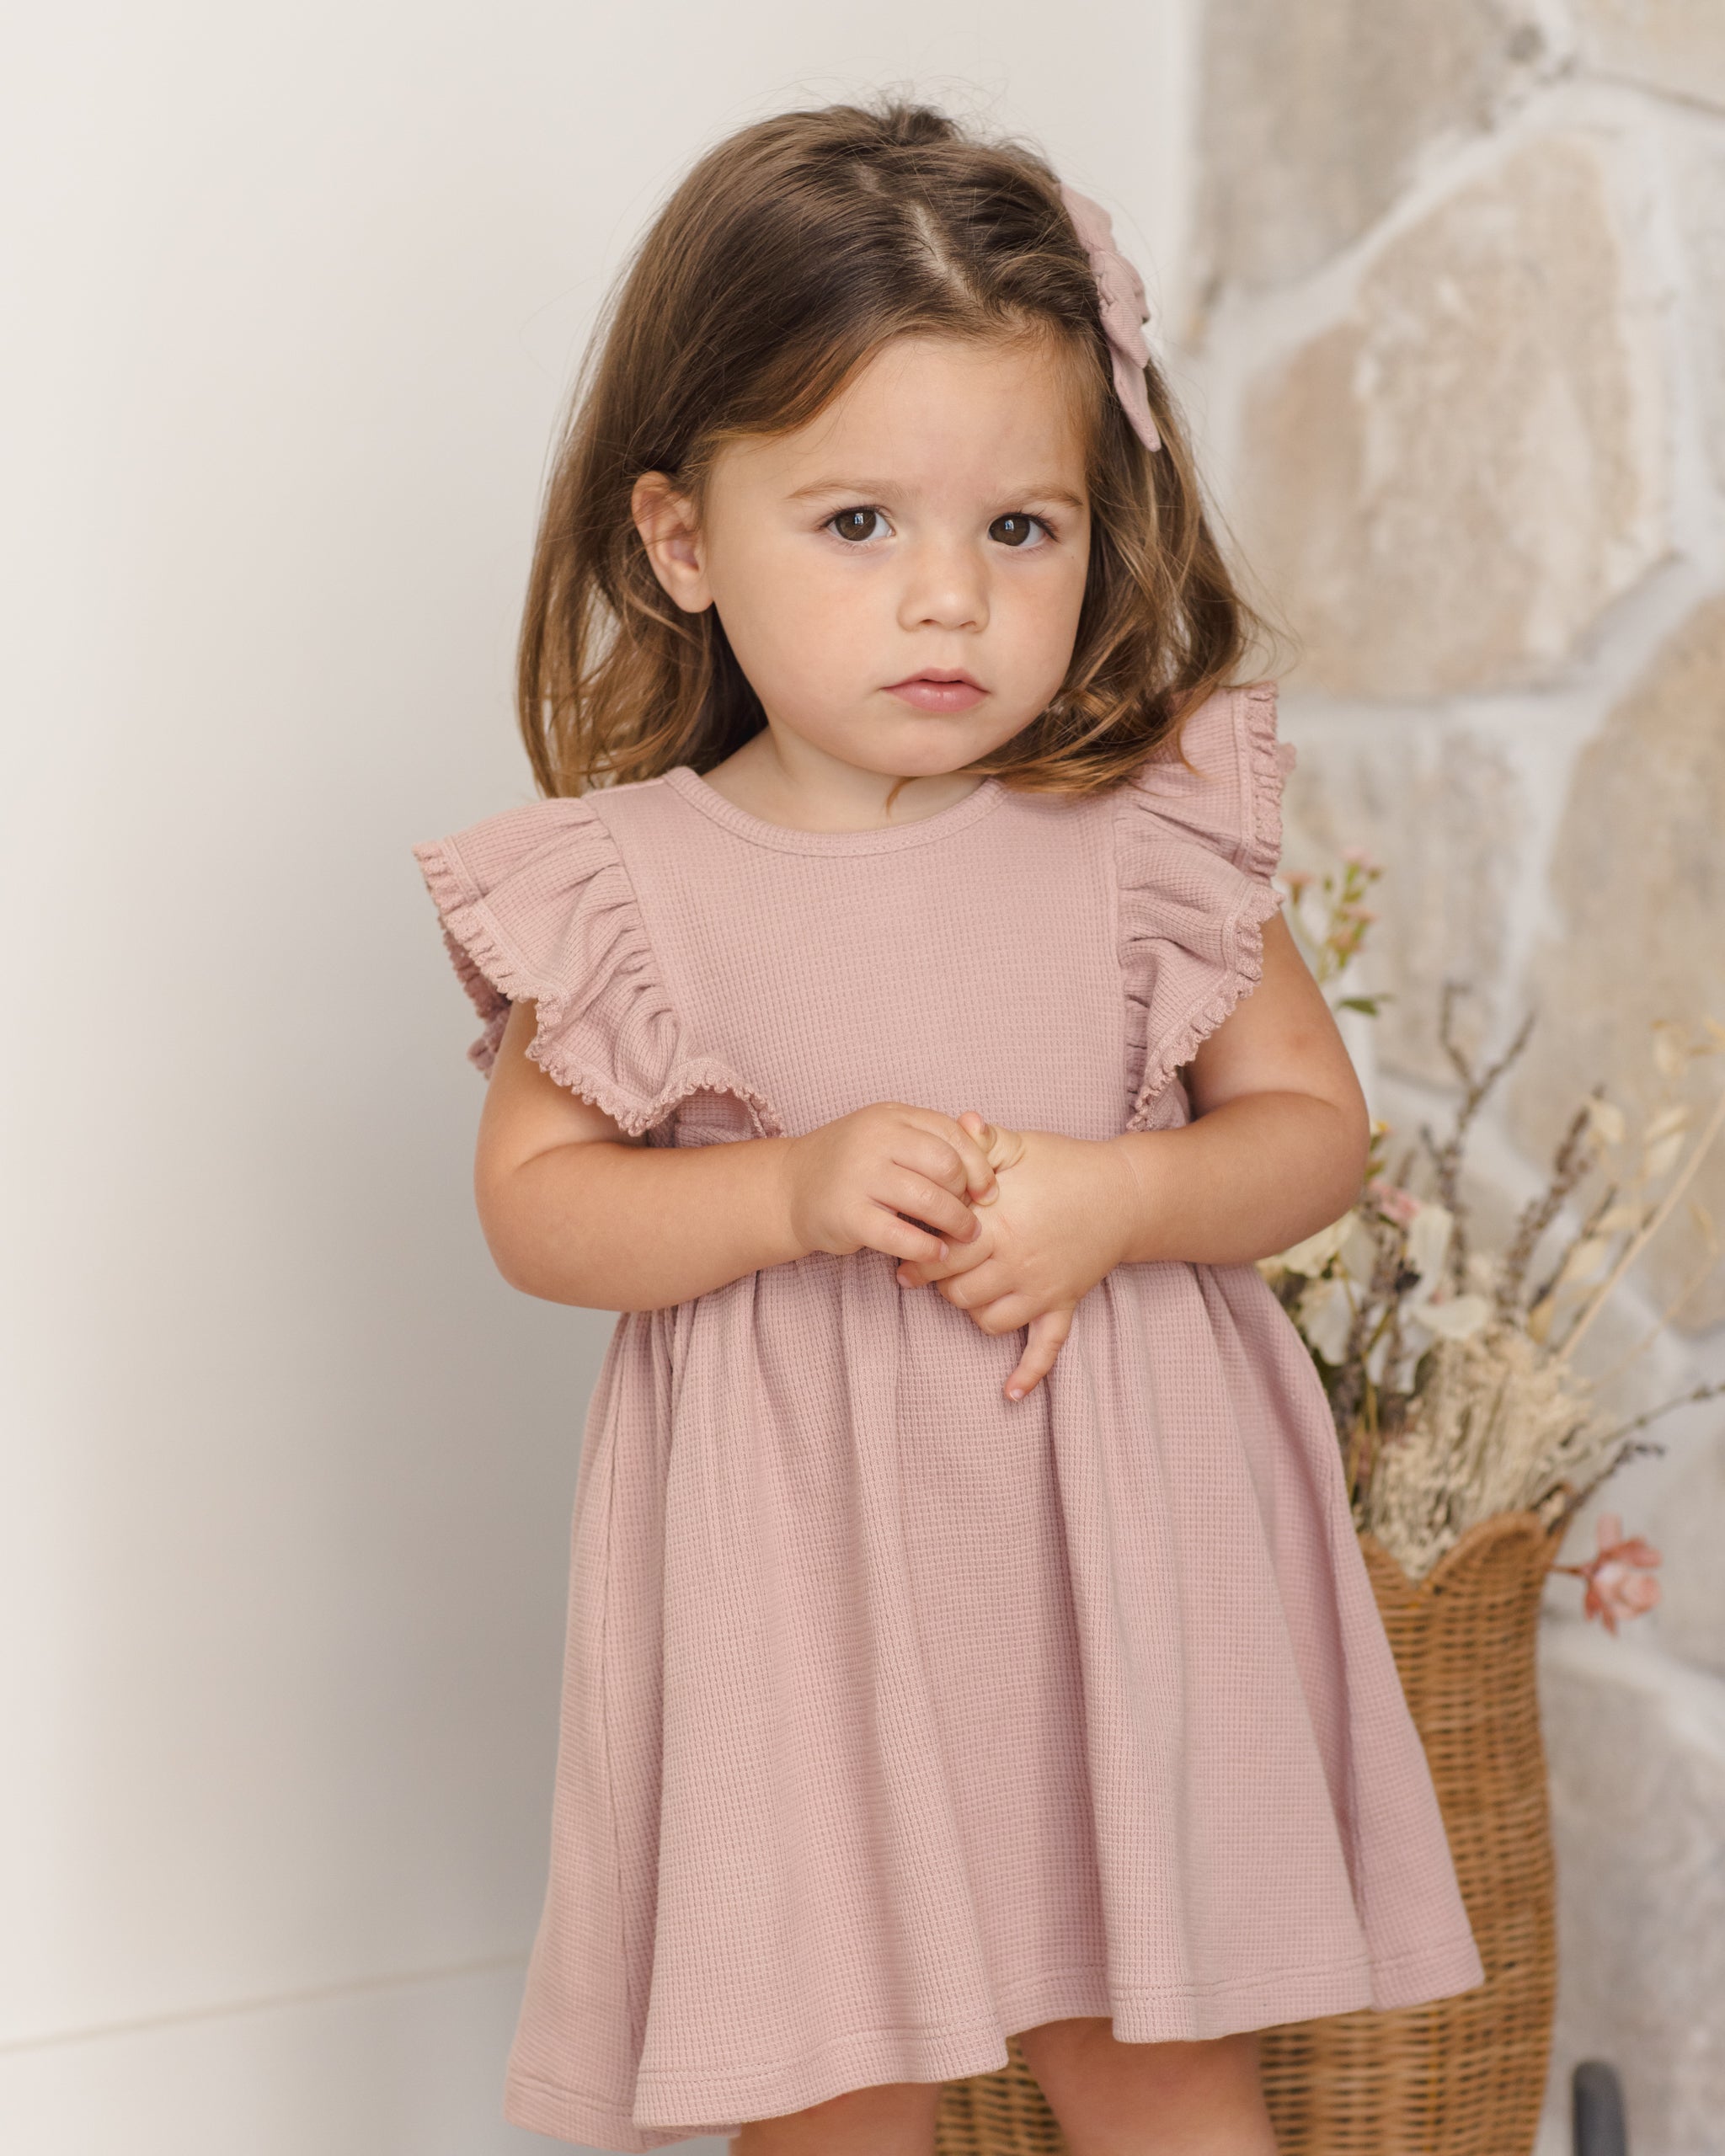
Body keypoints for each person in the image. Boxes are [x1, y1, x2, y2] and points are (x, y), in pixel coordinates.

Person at [413, 97, 1485, 2156]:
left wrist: (1122, 1193)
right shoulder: (632, 885)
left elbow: (1307, 1133)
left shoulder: (1140, 835)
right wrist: (785, 1187)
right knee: (827, 2083)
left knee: (1160, 2061)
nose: (948, 601)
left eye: (1019, 529)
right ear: (679, 540)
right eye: (857, 524)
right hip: (798, 1577)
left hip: (1116, 1567)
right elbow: (537, 1207)